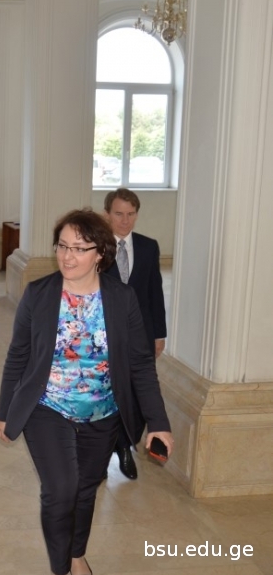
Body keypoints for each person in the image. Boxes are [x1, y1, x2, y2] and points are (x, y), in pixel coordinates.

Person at [0, 208, 173, 575]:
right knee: (61, 489)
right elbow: (18, 356)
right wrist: (5, 410)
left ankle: (77, 554)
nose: (67, 256)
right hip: (47, 407)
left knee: (86, 489)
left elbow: (140, 365)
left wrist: (159, 423)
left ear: (100, 253)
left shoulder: (122, 298)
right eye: (62, 246)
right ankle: (59, 572)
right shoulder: (39, 294)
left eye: (79, 248)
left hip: (103, 412)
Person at [104, 187, 167, 480]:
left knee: (139, 396)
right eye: (119, 214)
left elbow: (155, 293)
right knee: (107, 392)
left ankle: (125, 445)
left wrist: (159, 334)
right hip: (105, 333)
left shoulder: (148, 247)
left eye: (131, 214)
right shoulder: (96, 247)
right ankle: (103, 450)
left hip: (140, 334)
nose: (125, 220)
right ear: (107, 214)